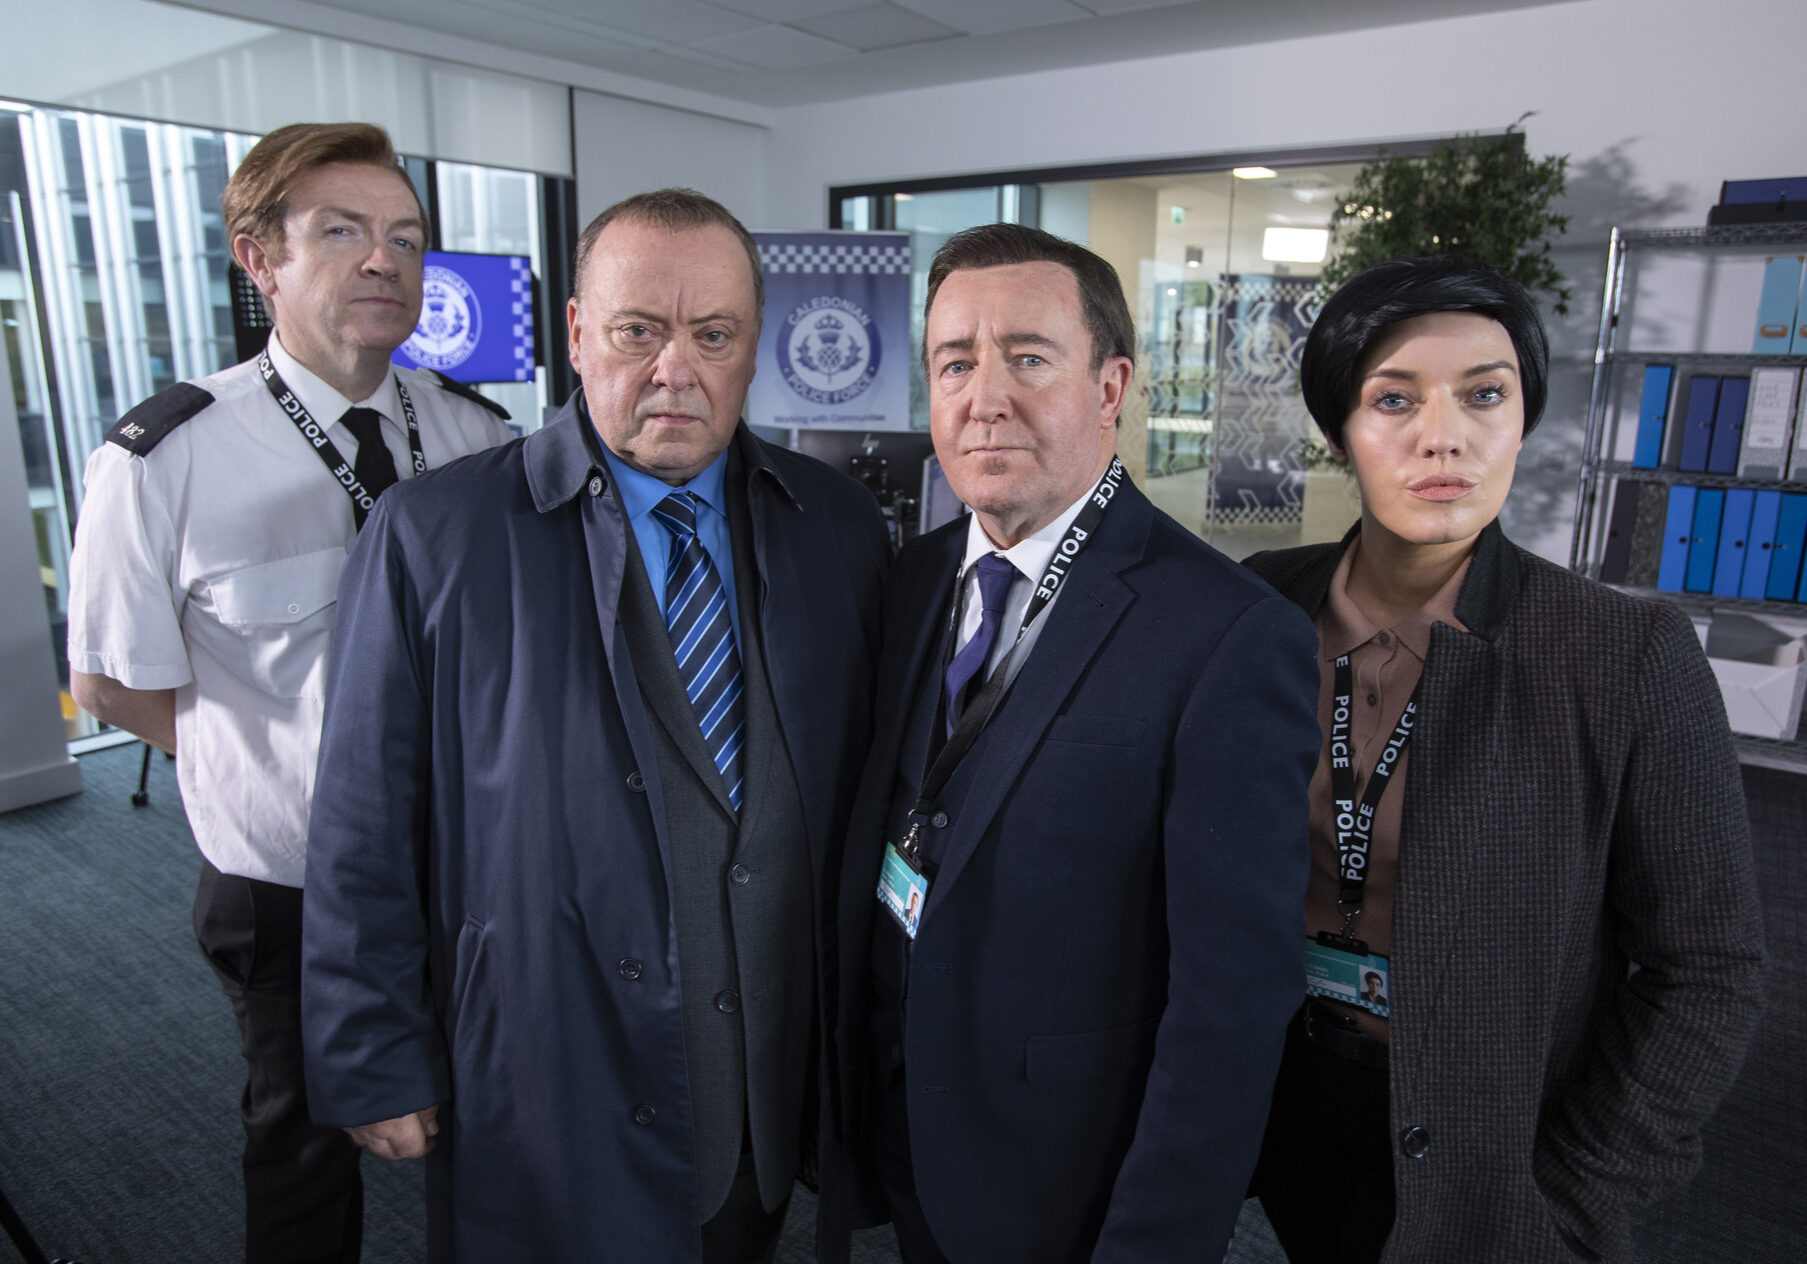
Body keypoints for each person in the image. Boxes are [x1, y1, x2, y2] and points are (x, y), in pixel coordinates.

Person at [299, 188, 890, 1262]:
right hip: (544, 1054)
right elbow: (360, 820)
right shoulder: (435, 535)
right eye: (637, 331)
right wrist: (370, 1048)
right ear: (576, 334)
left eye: (713, 334)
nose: (676, 368)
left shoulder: (837, 525)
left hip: (767, 1062)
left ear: (755, 346)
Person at [1244, 254, 1765, 1263]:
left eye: (1485, 394)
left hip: (1497, 1150)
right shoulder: (1259, 605)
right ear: (1337, 428)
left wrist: (1574, 1198)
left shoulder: (1622, 654)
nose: (1445, 436)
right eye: (1393, 399)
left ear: (1522, 416)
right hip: (1285, 1098)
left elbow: (1707, 967)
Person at [824, 223, 1320, 1264]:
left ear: (1111, 386)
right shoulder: (907, 581)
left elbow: (1231, 1004)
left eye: (1029, 357)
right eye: (955, 361)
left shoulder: (1227, 634)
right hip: (911, 1128)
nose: (984, 394)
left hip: (1070, 1184)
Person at [63, 121, 511, 1264]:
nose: (385, 261)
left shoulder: (476, 439)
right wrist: (255, 765)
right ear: (257, 257)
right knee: (304, 1155)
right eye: (343, 232)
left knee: (495, 1130)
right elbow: (108, 682)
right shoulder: (165, 457)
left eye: (407, 237)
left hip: (471, 876)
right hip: (289, 889)